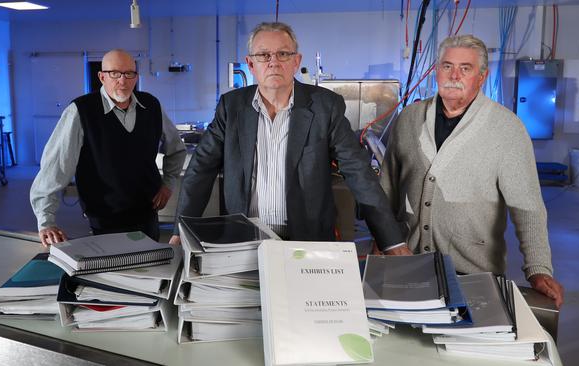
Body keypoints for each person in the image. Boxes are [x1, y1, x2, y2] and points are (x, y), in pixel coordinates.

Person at [169, 22, 404, 251]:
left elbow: (358, 171)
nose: (273, 62)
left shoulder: (325, 106)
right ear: (251, 64)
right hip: (244, 240)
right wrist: (181, 231)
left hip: (307, 240)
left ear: (296, 61)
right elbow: (200, 169)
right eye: (263, 55)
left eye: (283, 54)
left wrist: (391, 240)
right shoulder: (231, 108)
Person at [380, 35, 564, 307]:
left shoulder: (507, 129)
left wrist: (538, 268)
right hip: (409, 263)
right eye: (446, 66)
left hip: (474, 273)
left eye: (465, 68)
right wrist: (384, 239)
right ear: (436, 71)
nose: (454, 75)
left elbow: (528, 207)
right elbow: (388, 187)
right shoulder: (409, 118)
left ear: (481, 77)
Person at [30, 49, 186, 246]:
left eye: (129, 73)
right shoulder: (81, 111)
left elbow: (177, 149)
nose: (122, 80)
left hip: (147, 215)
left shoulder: (151, 106)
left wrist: (168, 184)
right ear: (102, 76)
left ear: (136, 77)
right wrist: (46, 222)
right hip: (105, 219)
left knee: (149, 271)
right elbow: (55, 169)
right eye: (115, 74)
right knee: (112, 273)